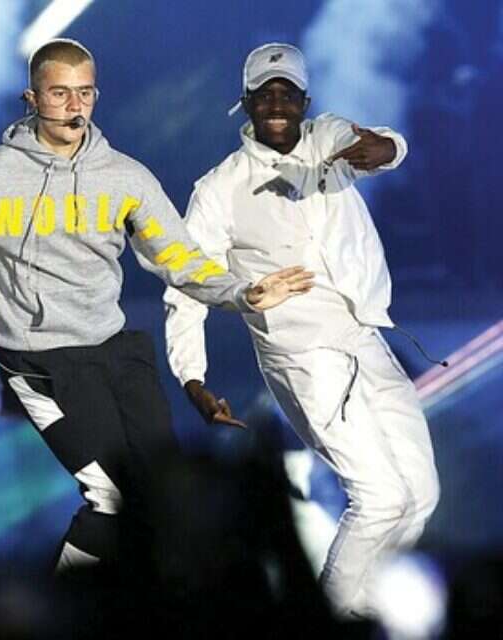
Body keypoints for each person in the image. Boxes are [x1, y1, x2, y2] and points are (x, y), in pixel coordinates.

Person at [0, 38, 312, 578]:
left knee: (164, 493)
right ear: (31, 98)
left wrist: (241, 293)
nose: (75, 106)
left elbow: (180, 257)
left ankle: (150, 607)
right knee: (111, 498)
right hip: (40, 361)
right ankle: (59, 611)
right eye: (59, 93)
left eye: (85, 93)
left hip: (115, 351)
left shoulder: (124, 177)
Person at [163, 43, 440, 618]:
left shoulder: (327, 141)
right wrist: (192, 377)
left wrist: (383, 147)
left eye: (287, 92)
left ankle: (364, 611)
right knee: (380, 497)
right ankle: (324, 620)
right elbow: (185, 284)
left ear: (305, 102)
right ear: (245, 103)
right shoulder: (219, 189)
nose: (276, 103)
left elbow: (381, 145)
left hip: (364, 337)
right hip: (300, 354)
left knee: (420, 494)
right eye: (264, 94)